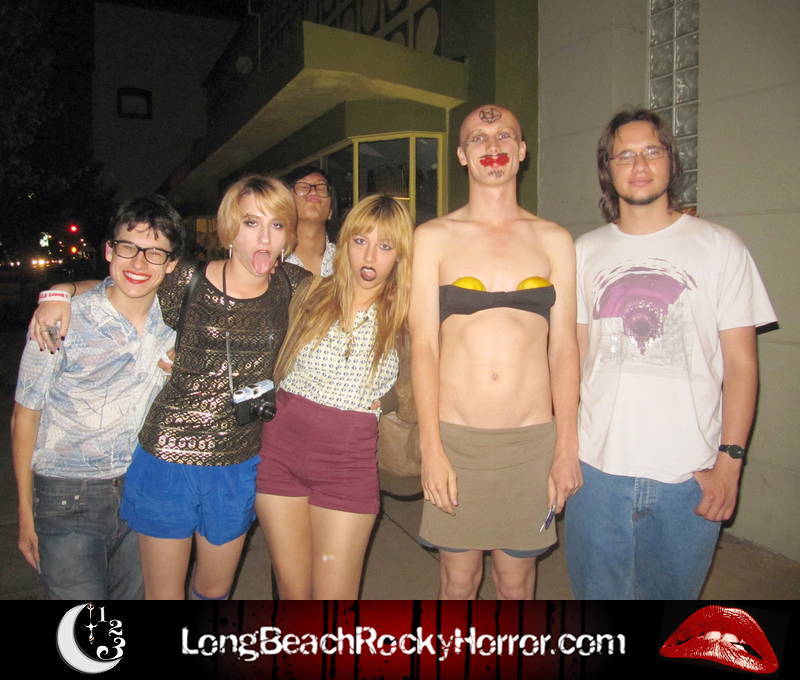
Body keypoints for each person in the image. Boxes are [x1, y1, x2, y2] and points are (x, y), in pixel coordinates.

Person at [29, 176, 310, 600]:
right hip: (166, 456)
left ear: (289, 234)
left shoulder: (294, 285)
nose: (265, 238)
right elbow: (124, 288)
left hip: (237, 462)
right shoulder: (188, 280)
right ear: (229, 229)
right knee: (164, 594)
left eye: (277, 225)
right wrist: (60, 291)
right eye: (251, 223)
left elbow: (355, 299)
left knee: (214, 588)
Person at [566, 109, 777, 599]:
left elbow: (742, 365)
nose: (639, 165)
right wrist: (563, 452)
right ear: (607, 169)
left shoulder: (721, 247)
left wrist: (731, 463)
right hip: (596, 473)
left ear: (670, 161)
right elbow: (572, 360)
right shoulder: (582, 252)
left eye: (651, 151)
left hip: (689, 478)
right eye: (624, 155)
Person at [409, 104, 582, 600]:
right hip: (456, 439)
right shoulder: (433, 237)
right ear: (462, 155)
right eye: (478, 138)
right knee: (458, 582)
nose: (492, 146)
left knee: (516, 583)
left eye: (504, 135)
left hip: (532, 442)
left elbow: (564, 349)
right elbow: (423, 345)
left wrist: (566, 448)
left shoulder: (554, 240)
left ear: (522, 151)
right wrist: (431, 449)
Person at [12, 195, 185, 599]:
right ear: (109, 250)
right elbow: (25, 416)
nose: (139, 263)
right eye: (128, 247)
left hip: (142, 489)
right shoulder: (62, 318)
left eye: (155, 252)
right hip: (67, 493)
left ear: (171, 264)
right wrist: (25, 512)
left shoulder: (176, 324)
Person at [256, 194, 413, 599]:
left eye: (385, 246)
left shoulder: (406, 310)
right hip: (280, 449)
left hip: (346, 460)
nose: (370, 256)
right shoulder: (310, 291)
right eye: (361, 240)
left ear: (400, 255)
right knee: (293, 595)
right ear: (344, 243)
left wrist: (391, 401)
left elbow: (434, 372)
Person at [283, 166, 338, 276]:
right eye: (303, 187)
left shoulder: (348, 260)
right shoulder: (271, 262)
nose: (313, 192)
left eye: (321, 188)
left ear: (330, 211)